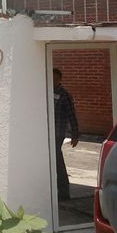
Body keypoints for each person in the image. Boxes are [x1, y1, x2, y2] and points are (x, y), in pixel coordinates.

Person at [53, 68, 79, 202]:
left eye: (54, 78)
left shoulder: (64, 95)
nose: (52, 80)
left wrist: (75, 134)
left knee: (57, 160)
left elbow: (71, 115)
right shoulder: (45, 92)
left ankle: (63, 192)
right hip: (46, 134)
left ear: (59, 79)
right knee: (51, 161)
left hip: (58, 132)